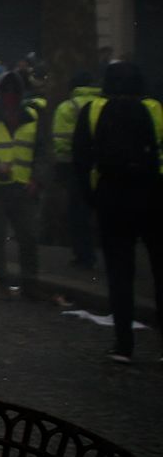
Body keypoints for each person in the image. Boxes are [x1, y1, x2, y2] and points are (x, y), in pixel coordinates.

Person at [73, 60, 162, 363]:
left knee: (120, 275)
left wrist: (92, 200)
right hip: (153, 196)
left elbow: (81, 160)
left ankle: (123, 344)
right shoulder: (155, 108)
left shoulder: (93, 110)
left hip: (112, 197)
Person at [0, 70, 46, 293]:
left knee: (29, 237)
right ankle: (0, 279)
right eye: (6, 91)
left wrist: (37, 179)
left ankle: (30, 282)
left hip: (23, 186)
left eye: (15, 91)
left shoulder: (31, 115)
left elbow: (42, 151)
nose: (11, 95)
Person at [47, 71, 102, 270]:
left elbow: (60, 141)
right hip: (104, 167)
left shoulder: (67, 107)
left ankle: (84, 256)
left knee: (78, 213)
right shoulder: (102, 103)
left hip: (76, 167)